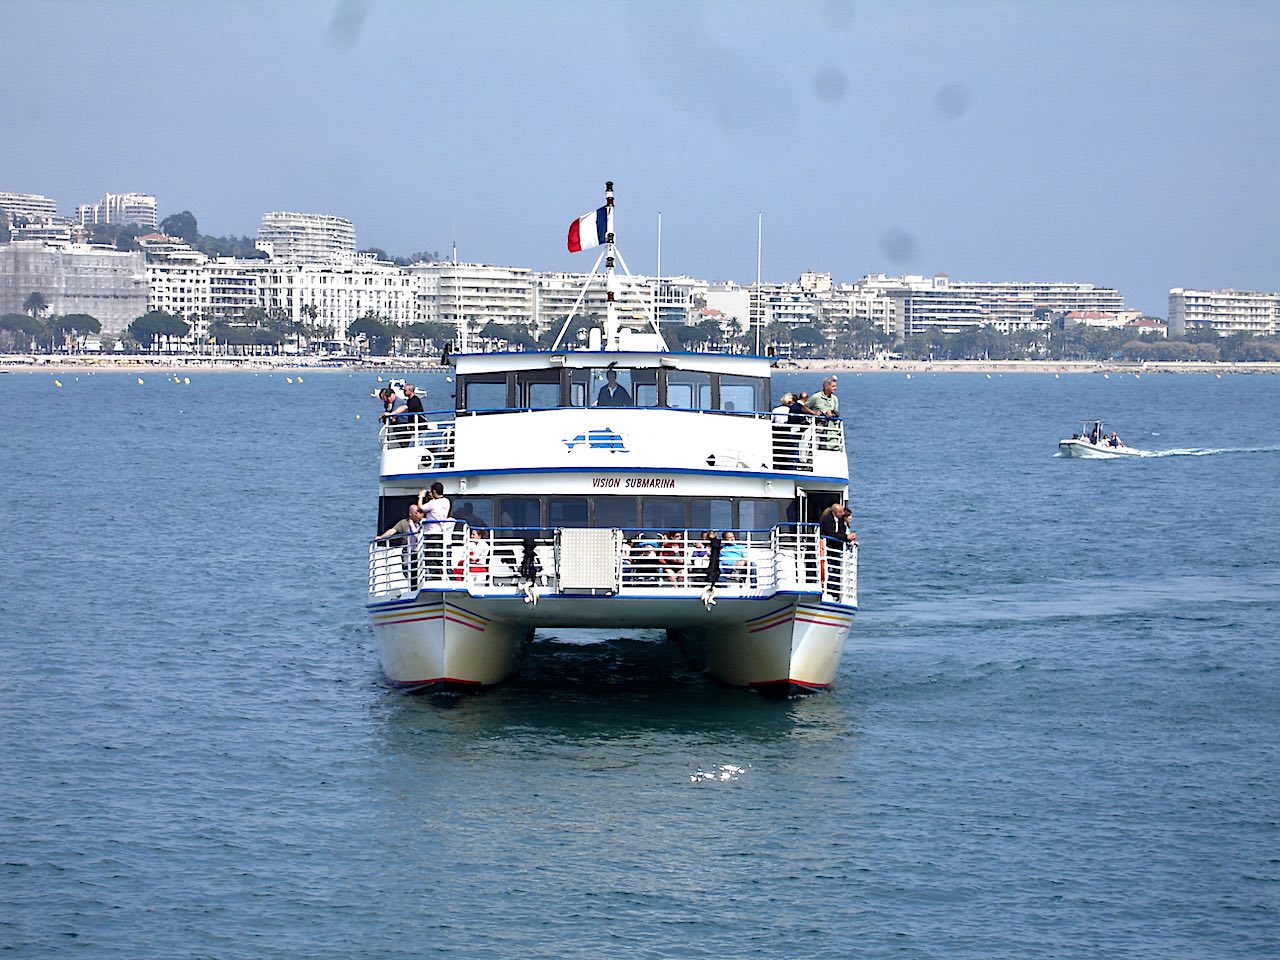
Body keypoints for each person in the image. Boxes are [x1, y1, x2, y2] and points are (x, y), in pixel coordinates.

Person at [376, 502, 425, 589]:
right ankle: (413, 586)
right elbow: (393, 531)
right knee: (407, 568)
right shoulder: (403, 523)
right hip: (408, 550)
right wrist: (381, 537)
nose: (418, 514)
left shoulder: (423, 522)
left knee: (420, 569)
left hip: (420, 550)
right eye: (416, 512)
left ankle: (419, 585)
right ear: (411, 514)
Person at [818, 503, 857, 596]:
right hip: (828, 549)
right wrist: (846, 537)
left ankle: (834, 590)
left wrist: (848, 538)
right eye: (841, 512)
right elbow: (830, 534)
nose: (843, 513)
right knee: (829, 568)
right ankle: (828, 589)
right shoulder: (827, 520)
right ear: (835, 513)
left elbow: (840, 532)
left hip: (836, 550)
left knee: (836, 570)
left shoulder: (839, 521)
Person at [421, 482, 452, 579]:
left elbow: (421, 508)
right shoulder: (446, 501)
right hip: (441, 533)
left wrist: (420, 497)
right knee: (439, 556)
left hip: (431, 533)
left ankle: (435, 577)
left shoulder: (432, 503)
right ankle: (440, 575)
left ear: (434, 491)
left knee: (431, 556)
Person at [808, 376, 840, 450]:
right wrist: (814, 413)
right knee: (815, 447)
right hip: (818, 428)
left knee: (829, 448)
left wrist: (831, 414)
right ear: (826, 386)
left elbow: (837, 413)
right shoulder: (816, 397)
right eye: (833, 386)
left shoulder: (835, 399)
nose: (835, 388)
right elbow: (804, 407)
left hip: (830, 429)